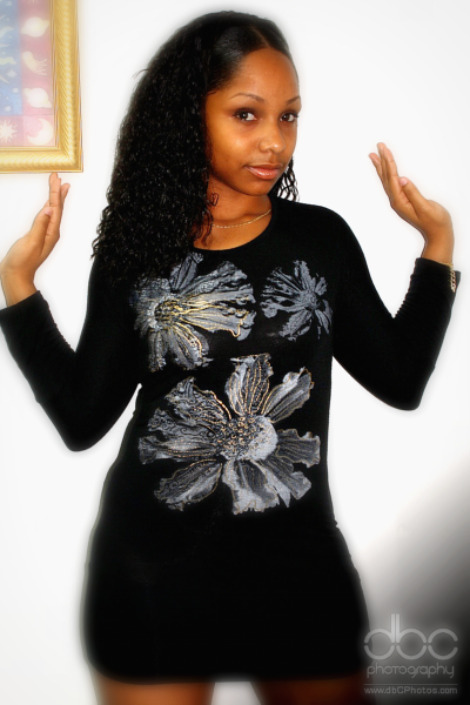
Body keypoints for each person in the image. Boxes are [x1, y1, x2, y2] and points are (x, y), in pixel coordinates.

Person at [0, 9, 461, 705]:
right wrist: (19, 287)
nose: (275, 140)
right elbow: (81, 419)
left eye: (289, 116)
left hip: (300, 576)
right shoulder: (135, 253)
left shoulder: (321, 240)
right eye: (248, 114)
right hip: (154, 576)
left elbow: (400, 381)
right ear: (189, 117)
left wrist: (437, 248)